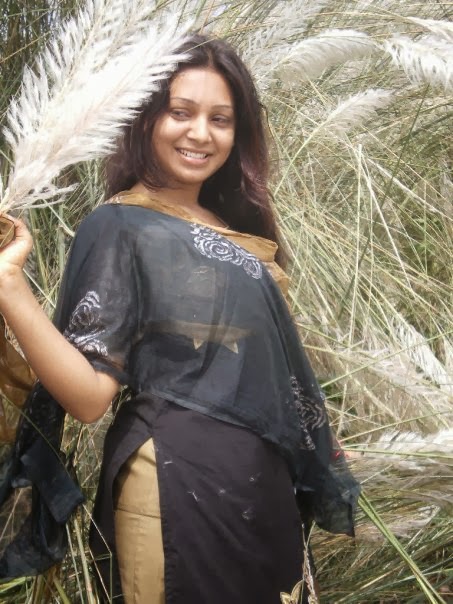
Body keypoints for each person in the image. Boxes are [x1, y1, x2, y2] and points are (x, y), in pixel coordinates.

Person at [0, 34, 358, 603]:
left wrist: (315, 438)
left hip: (261, 487)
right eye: (181, 112)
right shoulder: (120, 225)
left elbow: (262, 370)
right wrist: (10, 288)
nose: (200, 133)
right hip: (177, 480)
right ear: (146, 118)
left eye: (220, 119)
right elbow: (89, 397)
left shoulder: (234, 229)